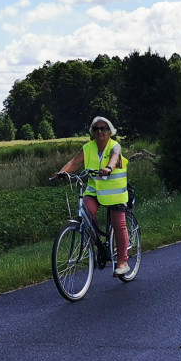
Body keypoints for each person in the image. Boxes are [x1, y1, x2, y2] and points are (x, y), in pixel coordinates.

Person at [56, 116, 130, 275]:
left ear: (110, 132)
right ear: (92, 132)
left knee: (119, 224)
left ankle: (123, 261)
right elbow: (74, 163)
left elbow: (115, 158)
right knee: (86, 211)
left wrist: (109, 168)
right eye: (96, 129)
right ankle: (97, 244)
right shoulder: (88, 148)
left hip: (114, 192)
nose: (100, 131)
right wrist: (62, 173)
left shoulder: (114, 146)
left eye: (104, 128)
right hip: (94, 190)